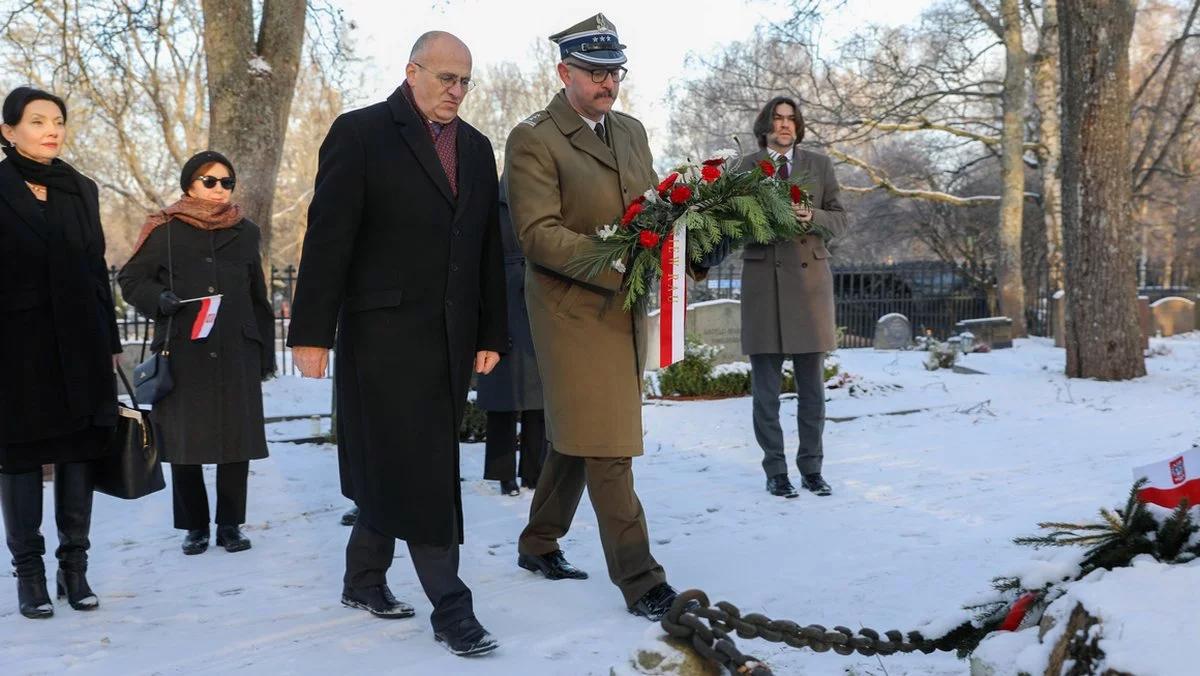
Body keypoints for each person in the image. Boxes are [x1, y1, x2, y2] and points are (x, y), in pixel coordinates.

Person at [286, 31, 507, 657]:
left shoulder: (476, 146)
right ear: (412, 71)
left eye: (465, 80)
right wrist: (310, 332)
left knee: (400, 459)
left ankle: (363, 580)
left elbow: (487, 247)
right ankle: (451, 608)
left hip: (451, 338)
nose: (456, 91)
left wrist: (491, 331)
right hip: (380, 338)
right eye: (445, 78)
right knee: (423, 468)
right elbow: (328, 238)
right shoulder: (359, 133)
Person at [504, 14, 692, 622]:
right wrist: (620, 264)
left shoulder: (632, 131)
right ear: (564, 73)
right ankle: (641, 579)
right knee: (608, 442)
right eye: (593, 71)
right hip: (570, 310)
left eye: (614, 71)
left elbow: (652, 210)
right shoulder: (534, 137)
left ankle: (538, 542)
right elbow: (537, 234)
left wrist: (688, 241)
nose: (607, 82)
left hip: (624, 307)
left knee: (578, 429)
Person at [0, 86, 121, 618]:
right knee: (20, 459)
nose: (51, 129)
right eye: (37, 120)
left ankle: (75, 567)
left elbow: (96, 271)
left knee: (78, 457)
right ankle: (29, 573)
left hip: (82, 345)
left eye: (58, 120)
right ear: (8, 131)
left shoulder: (81, 188)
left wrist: (112, 344)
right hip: (16, 350)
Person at [118, 150, 275, 553]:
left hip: (236, 347)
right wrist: (159, 297)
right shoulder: (164, 229)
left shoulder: (247, 231)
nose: (219, 189)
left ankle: (230, 525)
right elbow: (131, 279)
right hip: (182, 349)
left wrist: (264, 352)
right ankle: (194, 526)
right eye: (210, 181)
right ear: (190, 183)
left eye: (227, 182)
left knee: (235, 441)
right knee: (184, 441)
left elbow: (258, 294)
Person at [735, 96, 847, 499]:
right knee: (765, 391)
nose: (784, 125)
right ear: (765, 125)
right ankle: (775, 471)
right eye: (778, 119)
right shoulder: (744, 167)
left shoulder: (819, 165)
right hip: (764, 285)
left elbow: (841, 217)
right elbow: (729, 225)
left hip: (809, 286)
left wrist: (811, 218)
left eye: (791, 120)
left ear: (798, 126)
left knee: (812, 391)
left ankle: (812, 469)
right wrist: (762, 221)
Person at [476, 179, 547, 496]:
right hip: (501, 302)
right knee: (503, 399)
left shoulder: (543, 199)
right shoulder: (492, 204)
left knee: (539, 398)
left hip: (535, 300)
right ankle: (504, 473)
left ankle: (534, 470)